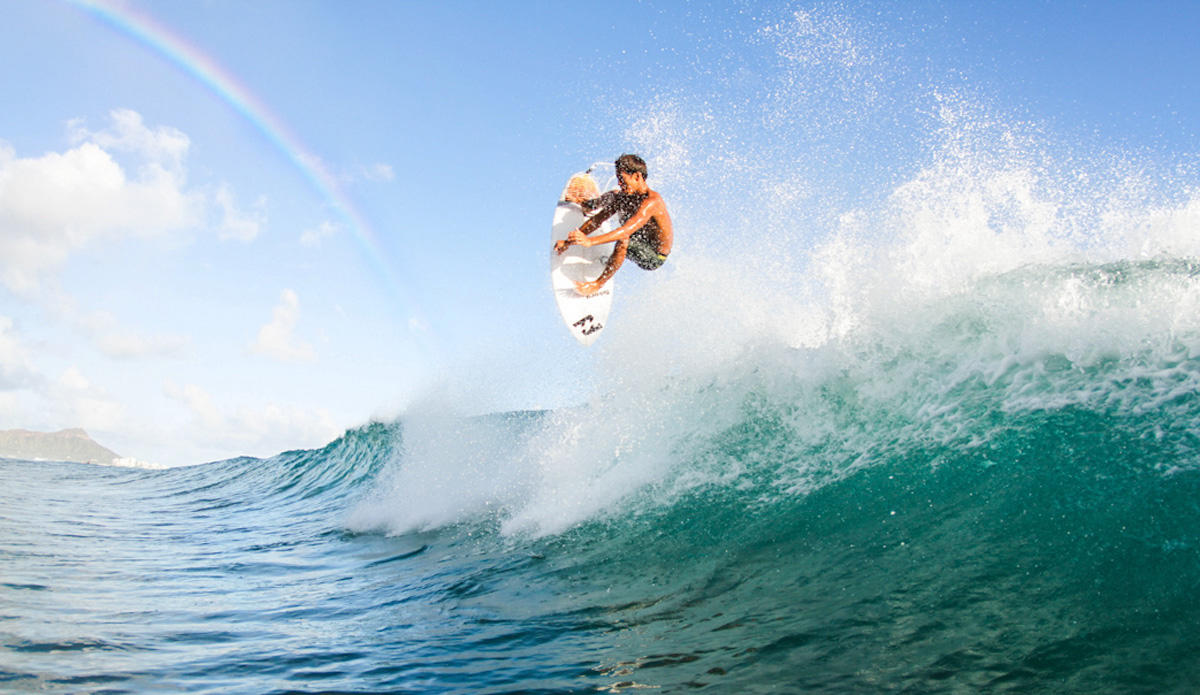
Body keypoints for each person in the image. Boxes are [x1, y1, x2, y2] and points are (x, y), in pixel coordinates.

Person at [554, 154, 674, 296]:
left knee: (623, 238)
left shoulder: (652, 201)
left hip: (653, 256)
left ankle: (597, 284)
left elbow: (625, 231)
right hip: (638, 234)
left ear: (637, 176)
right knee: (615, 195)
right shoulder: (625, 196)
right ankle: (588, 204)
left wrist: (589, 241)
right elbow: (597, 220)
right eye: (618, 179)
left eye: (622, 179)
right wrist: (568, 242)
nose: (619, 183)